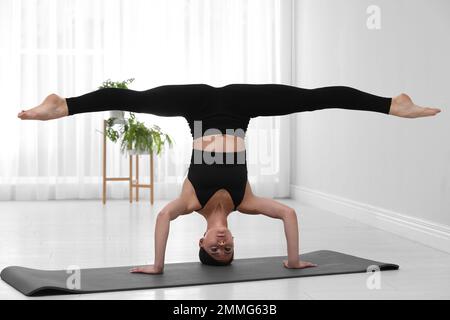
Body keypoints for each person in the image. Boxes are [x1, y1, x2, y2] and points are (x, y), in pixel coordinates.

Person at [17, 84, 441, 274]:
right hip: (241, 105)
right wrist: (292, 260)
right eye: (228, 252)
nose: (223, 245)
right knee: (313, 100)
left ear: (201, 242)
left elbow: (162, 219)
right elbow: (289, 215)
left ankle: (63, 105)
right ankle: (392, 104)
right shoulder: (247, 202)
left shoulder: (188, 204)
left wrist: (159, 265)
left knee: (137, 101)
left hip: (196, 106)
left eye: (215, 251)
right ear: (231, 242)